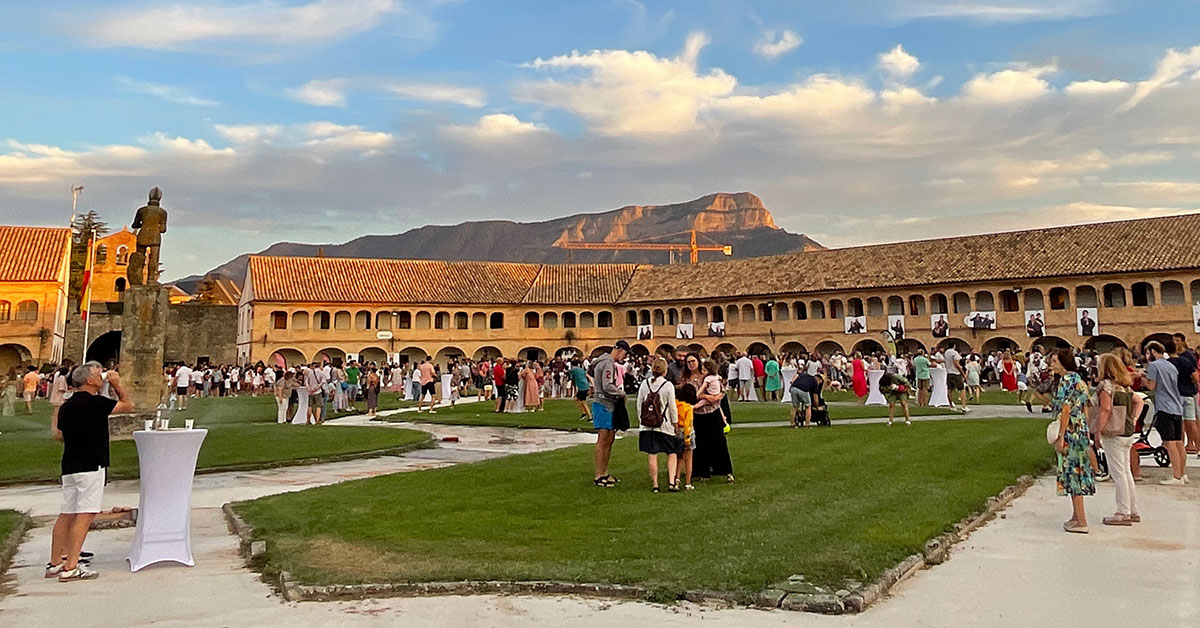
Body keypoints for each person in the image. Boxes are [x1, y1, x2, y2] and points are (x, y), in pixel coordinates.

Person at [47, 361, 134, 581]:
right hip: (91, 464)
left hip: (71, 465)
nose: (101, 375)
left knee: (66, 514)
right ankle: (72, 566)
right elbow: (127, 405)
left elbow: (59, 434)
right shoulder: (96, 403)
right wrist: (116, 384)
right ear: (89, 380)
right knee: (84, 516)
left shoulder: (67, 406)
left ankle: (56, 562)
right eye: (98, 374)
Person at [1049, 348, 1094, 533]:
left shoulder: (1065, 381)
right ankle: (1076, 516)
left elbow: (1066, 410)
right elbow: (1085, 406)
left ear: (1062, 362)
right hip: (1081, 429)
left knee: (1073, 473)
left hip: (1070, 431)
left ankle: (1082, 521)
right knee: (1078, 469)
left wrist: (1060, 436)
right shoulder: (1079, 380)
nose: (1051, 365)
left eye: (1054, 361)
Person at [1095, 353, 1141, 526]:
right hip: (1127, 431)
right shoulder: (1125, 386)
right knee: (1126, 472)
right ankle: (1132, 509)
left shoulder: (1106, 386)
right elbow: (1139, 402)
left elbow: (1105, 409)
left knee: (1118, 473)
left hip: (1113, 433)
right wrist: (1134, 419)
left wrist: (1098, 431)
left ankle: (1123, 512)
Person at [1142, 341, 1188, 485]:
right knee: (1179, 442)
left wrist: (1143, 378)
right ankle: (1182, 472)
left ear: (1154, 352)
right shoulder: (1171, 365)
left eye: (1148, 353)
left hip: (1164, 407)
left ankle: (1176, 476)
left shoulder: (1154, 366)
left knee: (1170, 442)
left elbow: (1151, 386)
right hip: (1176, 406)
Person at [637, 358, 681, 493]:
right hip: (665, 424)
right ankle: (672, 482)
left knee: (652, 453)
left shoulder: (644, 384)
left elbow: (639, 404)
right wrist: (675, 423)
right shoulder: (668, 386)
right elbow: (672, 407)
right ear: (665, 370)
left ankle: (655, 484)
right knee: (671, 452)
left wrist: (642, 420)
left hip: (648, 426)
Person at [591, 341, 629, 488]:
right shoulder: (608, 363)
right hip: (603, 404)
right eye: (624, 353)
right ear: (619, 350)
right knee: (603, 440)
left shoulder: (604, 362)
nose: (624, 356)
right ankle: (599, 474)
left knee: (609, 439)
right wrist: (621, 393)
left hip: (606, 404)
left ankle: (604, 472)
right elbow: (607, 385)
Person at [692, 358, 734, 483]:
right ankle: (704, 471)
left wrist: (706, 396)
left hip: (712, 412)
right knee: (701, 443)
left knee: (719, 442)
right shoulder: (715, 378)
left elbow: (702, 395)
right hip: (702, 414)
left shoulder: (708, 379)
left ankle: (723, 469)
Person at [1168, 334, 1200, 455]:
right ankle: (1185, 445)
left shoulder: (1187, 357)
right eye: (1174, 340)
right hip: (1184, 393)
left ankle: (1193, 444)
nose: (1175, 342)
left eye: (1177, 340)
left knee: (1190, 421)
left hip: (1187, 392)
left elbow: (1195, 374)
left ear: (1183, 342)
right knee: (1185, 421)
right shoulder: (1181, 359)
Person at [675, 383, 697, 491]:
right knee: (688, 460)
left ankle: (676, 480)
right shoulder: (688, 408)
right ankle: (688, 483)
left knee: (679, 458)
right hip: (686, 432)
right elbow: (689, 423)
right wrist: (688, 438)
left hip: (677, 432)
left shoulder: (676, 404)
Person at [50, 360, 73, 439]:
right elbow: (62, 389)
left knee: (56, 415)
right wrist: (70, 391)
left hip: (56, 398)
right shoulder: (62, 378)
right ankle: (57, 432)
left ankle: (57, 431)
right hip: (59, 399)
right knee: (58, 416)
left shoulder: (59, 377)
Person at [943, 344, 968, 412]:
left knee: (950, 390)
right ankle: (964, 406)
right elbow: (956, 363)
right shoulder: (954, 353)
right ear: (954, 346)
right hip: (956, 373)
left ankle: (951, 405)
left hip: (949, 372)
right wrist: (963, 373)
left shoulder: (946, 352)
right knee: (962, 389)